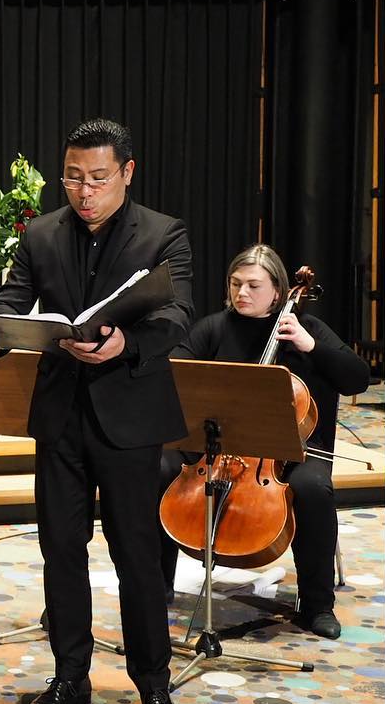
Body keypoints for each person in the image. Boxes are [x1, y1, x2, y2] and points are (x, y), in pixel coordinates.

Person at [0, 118, 194, 704]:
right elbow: (13, 298)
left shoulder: (163, 233)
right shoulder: (41, 234)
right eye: (73, 177)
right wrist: (2, 328)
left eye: (98, 178)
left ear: (126, 173)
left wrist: (127, 343)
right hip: (60, 415)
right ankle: (70, 675)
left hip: (129, 417)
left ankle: (152, 684)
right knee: (61, 551)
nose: (84, 191)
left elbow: (178, 313)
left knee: (136, 556)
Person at [158, 244, 370, 639]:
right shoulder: (214, 328)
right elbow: (175, 373)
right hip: (217, 445)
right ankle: (157, 585)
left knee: (312, 488)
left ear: (278, 291)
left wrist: (310, 346)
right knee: (161, 467)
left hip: (292, 452)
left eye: (253, 285)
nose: (242, 293)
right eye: (235, 283)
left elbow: (357, 378)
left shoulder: (307, 329)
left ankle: (317, 603)